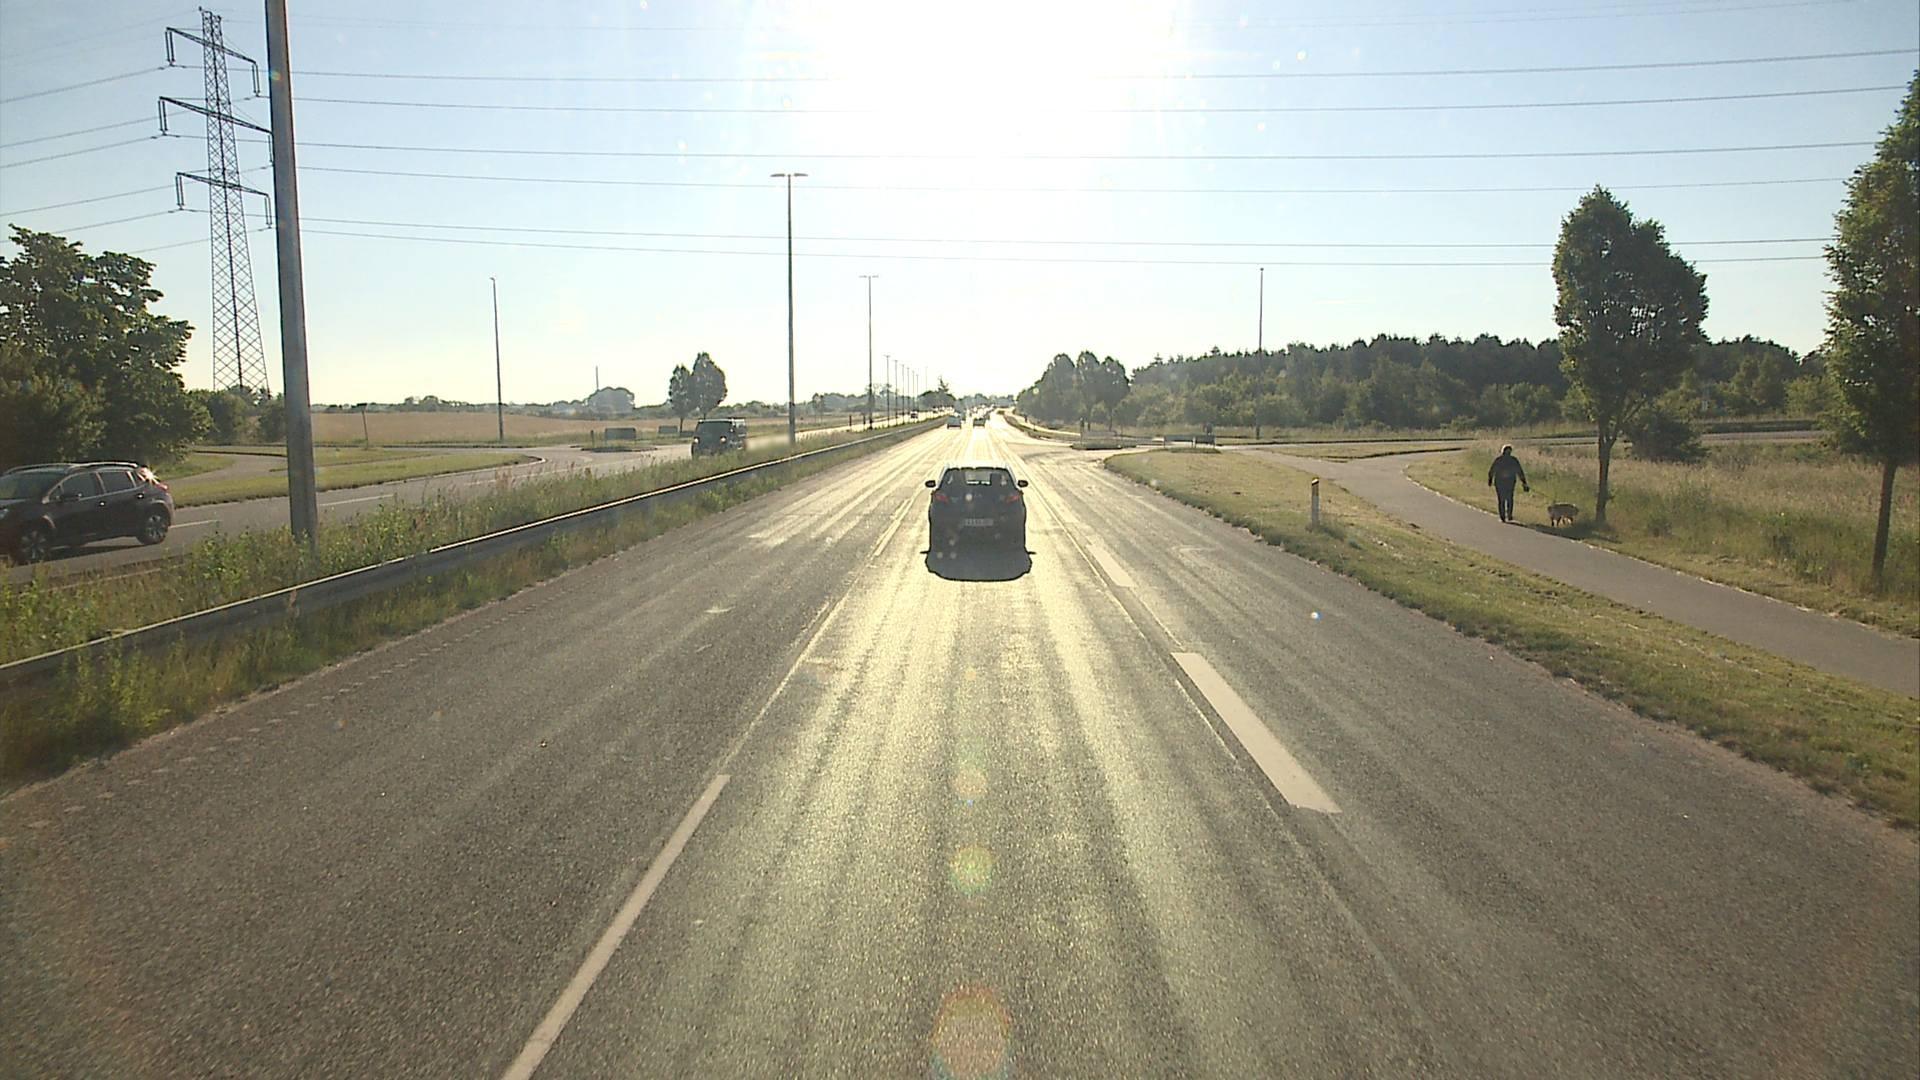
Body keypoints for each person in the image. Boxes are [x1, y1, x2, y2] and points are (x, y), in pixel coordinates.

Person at [1487, 444, 1530, 523]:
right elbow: (1519, 472)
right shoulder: (1513, 460)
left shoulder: (1499, 460)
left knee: (1503, 499)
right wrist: (1524, 482)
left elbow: (1492, 471)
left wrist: (1490, 480)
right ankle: (1507, 515)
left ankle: (1504, 516)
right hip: (1507, 482)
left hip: (1503, 482)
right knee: (1508, 498)